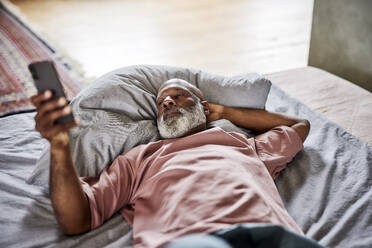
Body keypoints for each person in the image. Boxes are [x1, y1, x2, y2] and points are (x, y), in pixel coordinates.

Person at [31, 78, 321, 248]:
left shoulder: (243, 144)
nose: (168, 102)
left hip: (270, 236)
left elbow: (299, 125)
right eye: (161, 102)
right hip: (194, 241)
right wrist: (59, 146)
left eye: (179, 96)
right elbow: (76, 219)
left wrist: (223, 111)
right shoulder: (139, 159)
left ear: (203, 107)